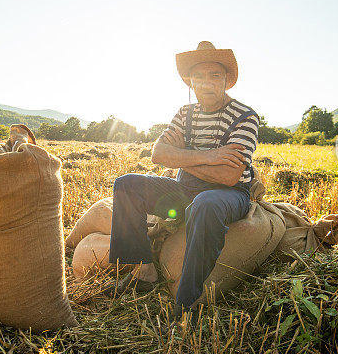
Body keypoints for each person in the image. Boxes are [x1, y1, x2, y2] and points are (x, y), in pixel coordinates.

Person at [103, 41, 259, 326]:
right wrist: (212, 156)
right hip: (183, 189)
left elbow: (229, 176)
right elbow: (157, 154)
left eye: (215, 75)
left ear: (226, 80)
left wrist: (180, 156)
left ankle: (186, 303)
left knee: (206, 204)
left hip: (228, 195)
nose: (207, 83)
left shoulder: (245, 117)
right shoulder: (184, 114)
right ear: (190, 81)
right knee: (126, 184)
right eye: (199, 76)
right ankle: (145, 272)